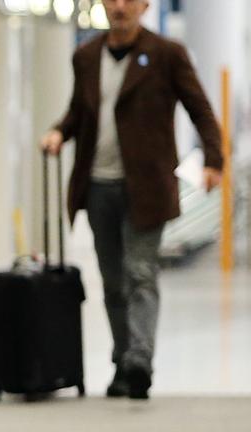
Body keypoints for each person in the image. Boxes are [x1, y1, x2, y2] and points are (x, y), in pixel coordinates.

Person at [41, 0, 223, 400]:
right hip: (99, 184)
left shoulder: (166, 54)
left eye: (129, 0)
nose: (120, 7)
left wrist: (214, 159)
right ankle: (124, 357)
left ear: (144, 6)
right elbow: (78, 113)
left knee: (140, 272)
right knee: (112, 281)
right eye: (112, 0)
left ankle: (140, 359)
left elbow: (200, 108)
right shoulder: (86, 56)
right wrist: (59, 132)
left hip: (147, 186)